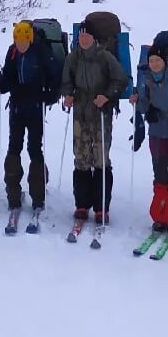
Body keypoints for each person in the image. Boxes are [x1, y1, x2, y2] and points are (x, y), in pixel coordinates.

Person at [59, 20, 128, 223]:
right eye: (80, 36)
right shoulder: (73, 57)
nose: (83, 39)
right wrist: (68, 94)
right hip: (80, 112)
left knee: (100, 159)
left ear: (94, 38)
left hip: (100, 114)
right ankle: (81, 205)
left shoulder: (104, 56)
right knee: (81, 158)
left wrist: (107, 96)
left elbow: (120, 79)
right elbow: (65, 81)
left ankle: (101, 207)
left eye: (87, 36)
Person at [0, 21, 59, 212]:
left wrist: (49, 96)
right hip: (17, 107)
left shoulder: (41, 51)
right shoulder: (12, 51)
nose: (21, 44)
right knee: (14, 147)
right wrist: (0, 85)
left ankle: (38, 197)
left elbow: (54, 75)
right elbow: (8, 74)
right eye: (17, 40)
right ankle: (13, 195)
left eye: (24, 40)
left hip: (35, 107)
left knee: (34, 148)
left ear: (30, 38)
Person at [134, 44, 168, 235]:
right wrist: (137, 102)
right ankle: (159, 216)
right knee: (159, 173)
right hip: (156, 133)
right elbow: (142, 107)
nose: (155, 64)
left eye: (158, 60)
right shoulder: (146, 80)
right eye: (151, 61)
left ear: (164, 62)